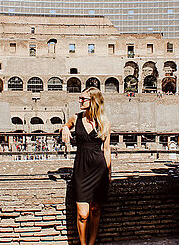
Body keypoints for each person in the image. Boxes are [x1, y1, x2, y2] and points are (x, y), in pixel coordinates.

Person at [61, 87, 111, 245]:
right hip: (82, 169)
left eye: (83, 98)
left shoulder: (104, 121)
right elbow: (65, 126)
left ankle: (91, 243)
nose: (80, 101)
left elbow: (107, 149)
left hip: (99, 170)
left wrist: (108, 174)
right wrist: (64, 128)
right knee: (82, 214)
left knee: (96, 210)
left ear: (93, 101)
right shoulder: (76, 118)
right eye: (80, 98)